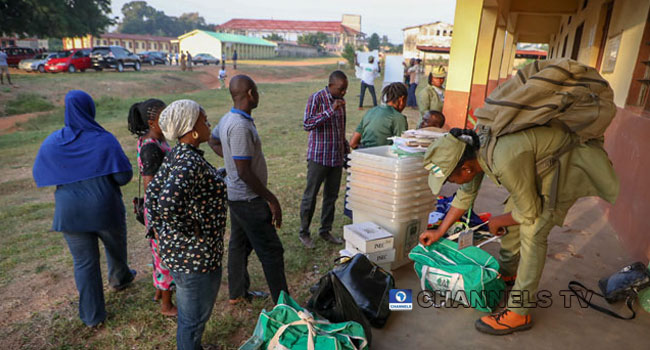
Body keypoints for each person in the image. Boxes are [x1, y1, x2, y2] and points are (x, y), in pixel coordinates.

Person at [419, 126, 619, 335]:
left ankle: (519, 311)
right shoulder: (475, 153)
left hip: (567, 166)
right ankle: (508, 274)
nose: (450, 184)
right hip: (539, 166)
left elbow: (529, 211)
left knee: (534, 232)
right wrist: (440, 231)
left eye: (450, 179)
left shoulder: (503, 160)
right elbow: (465, 195)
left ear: (466, 169)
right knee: (511, 215)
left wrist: (497, 221)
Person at [32, 90, 135, 327]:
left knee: (84, 263)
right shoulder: (104, 139)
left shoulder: (52, 142)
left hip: (69, 214)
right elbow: (122, 177)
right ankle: (120, 278)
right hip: (104, 209)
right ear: (90, 109)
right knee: (116, 247)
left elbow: (42, 173)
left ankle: (92, 317)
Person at [146, 99, 227, 350]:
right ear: (192, 130)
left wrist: (167, 232)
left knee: (190, 318)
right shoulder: (188, 163)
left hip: (179, 253)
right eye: (204, 120)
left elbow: (152, 196)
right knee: (192, 321)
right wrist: (191, 228)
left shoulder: (178, 156)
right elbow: (168, 203)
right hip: (196, 258)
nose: (208, 123)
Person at [208, 75, 289, 305]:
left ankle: (237, 293)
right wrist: (271, 199)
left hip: (236, 196)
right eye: (257, 90)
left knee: (239, 245)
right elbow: (243, 171)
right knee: (272, 251)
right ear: (251, 93)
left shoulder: (228, 118)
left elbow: (213, 141)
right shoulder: (240, 126)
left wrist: (231, 159)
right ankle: (285, 306)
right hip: (248, 199)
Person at [127, 99, 177, 317]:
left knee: (159, 254)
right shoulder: (150, 147)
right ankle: (167, 305)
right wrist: (158, 218)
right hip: (158, 210)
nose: (168, 120)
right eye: (163, 117)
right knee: (165, 255)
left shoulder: (156, 139)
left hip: (160, 208)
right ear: (151, 121)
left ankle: (159, 291)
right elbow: (151, 186)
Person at [299, 71, 349, 248]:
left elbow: (340, 128)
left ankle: (325, 230)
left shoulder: (341, 101)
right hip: (319, 156)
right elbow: (307, 124)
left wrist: (345, 148)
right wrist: (330, 110)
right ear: (331, 84)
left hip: (335, 157)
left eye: (345, 90)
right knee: (310, 196)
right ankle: (304, 232)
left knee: (331, 196)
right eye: (341, 89)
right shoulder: (317, 98)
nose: (343, 93)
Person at [350, 82, 408, 149]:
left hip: (363, 154)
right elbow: (402, 147)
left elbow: (352, 143)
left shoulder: (370, 112)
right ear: (401, 100)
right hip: (383, 157)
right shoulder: (398, 118)